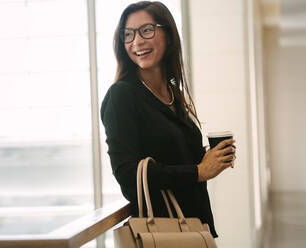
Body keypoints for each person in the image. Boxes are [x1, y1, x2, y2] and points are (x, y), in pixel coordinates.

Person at [100, 1, 236, 238]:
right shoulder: (121, 95)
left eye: (146, 30)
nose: (137, 42)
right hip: (164, 233)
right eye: (128, 35)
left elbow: (172, 155)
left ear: (169, 35)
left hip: (196, 228)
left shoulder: (173, 93)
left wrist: (210, 158)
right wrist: (199, 171)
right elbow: (127, 173)